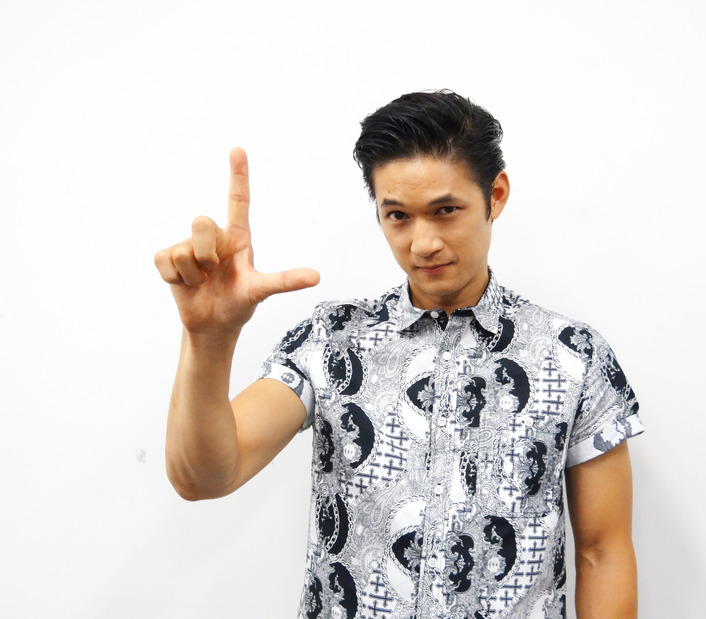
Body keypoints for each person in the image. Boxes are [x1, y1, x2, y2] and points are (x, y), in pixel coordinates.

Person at [154, 91, 644, 619]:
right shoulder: (331, 340)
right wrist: (209, 338)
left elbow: (603, 553)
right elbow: (202, 477)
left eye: (446, 210)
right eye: (398, 216)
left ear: (495, 195)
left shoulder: (572, 356)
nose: (423, 242)